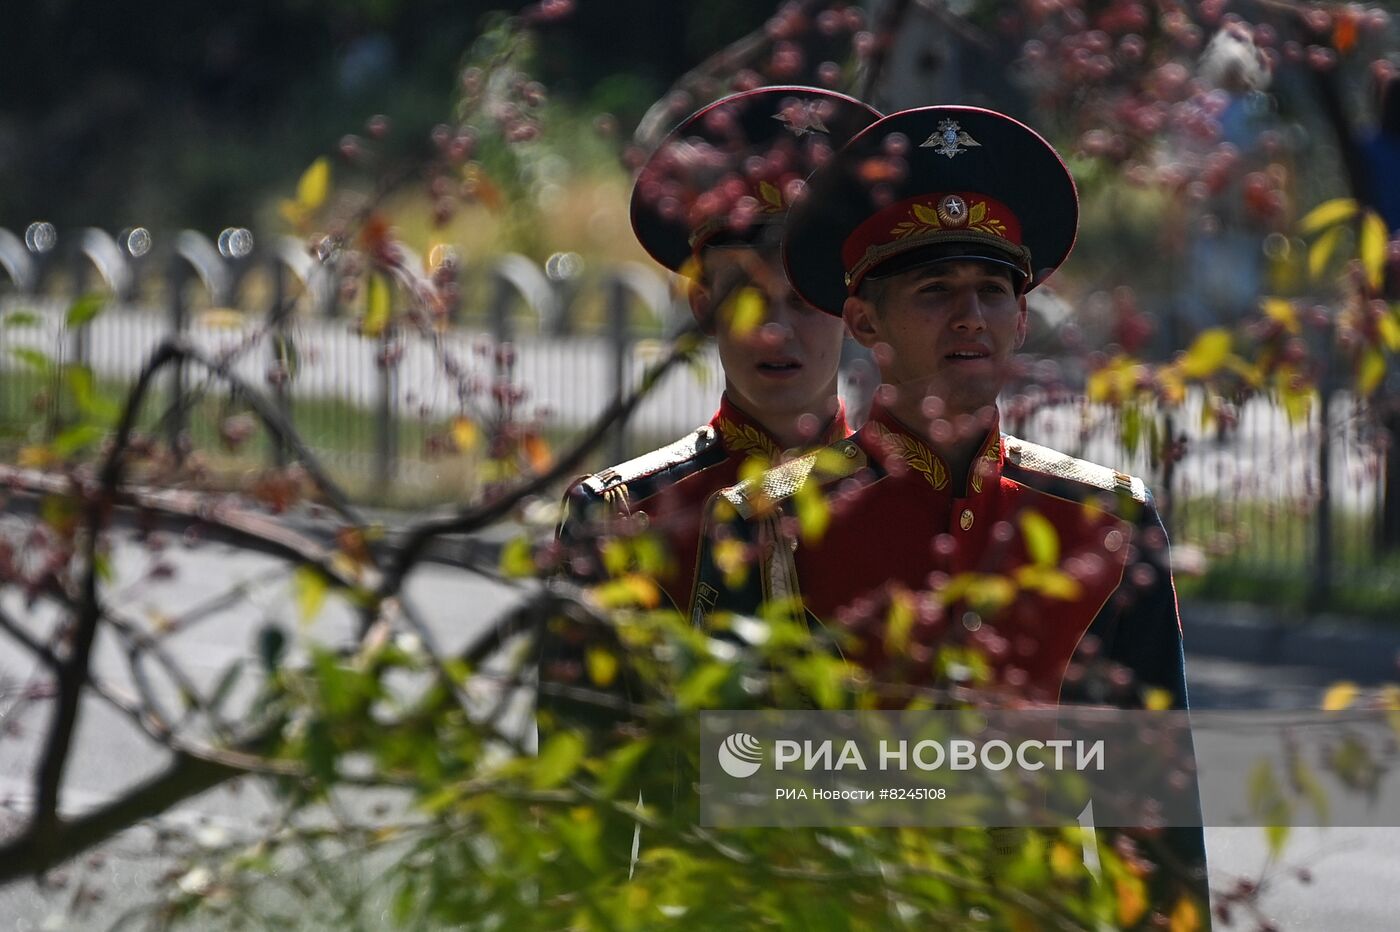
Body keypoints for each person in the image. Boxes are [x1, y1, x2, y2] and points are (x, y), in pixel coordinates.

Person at [691, 105, 1209, 915]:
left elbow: (1155, 819)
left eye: (993, 292)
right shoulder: (766, 522)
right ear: (865, 321)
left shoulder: (1107, 521)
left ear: (1023, 318)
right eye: (935, 292)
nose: (971, 316)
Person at [538, 85, 880, 740]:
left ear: (855, 310)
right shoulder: (622, 517)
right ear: (703, 309)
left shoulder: (915, 503)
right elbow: (577, 795)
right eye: (749, 299)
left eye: (804, 302)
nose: (777, 333)